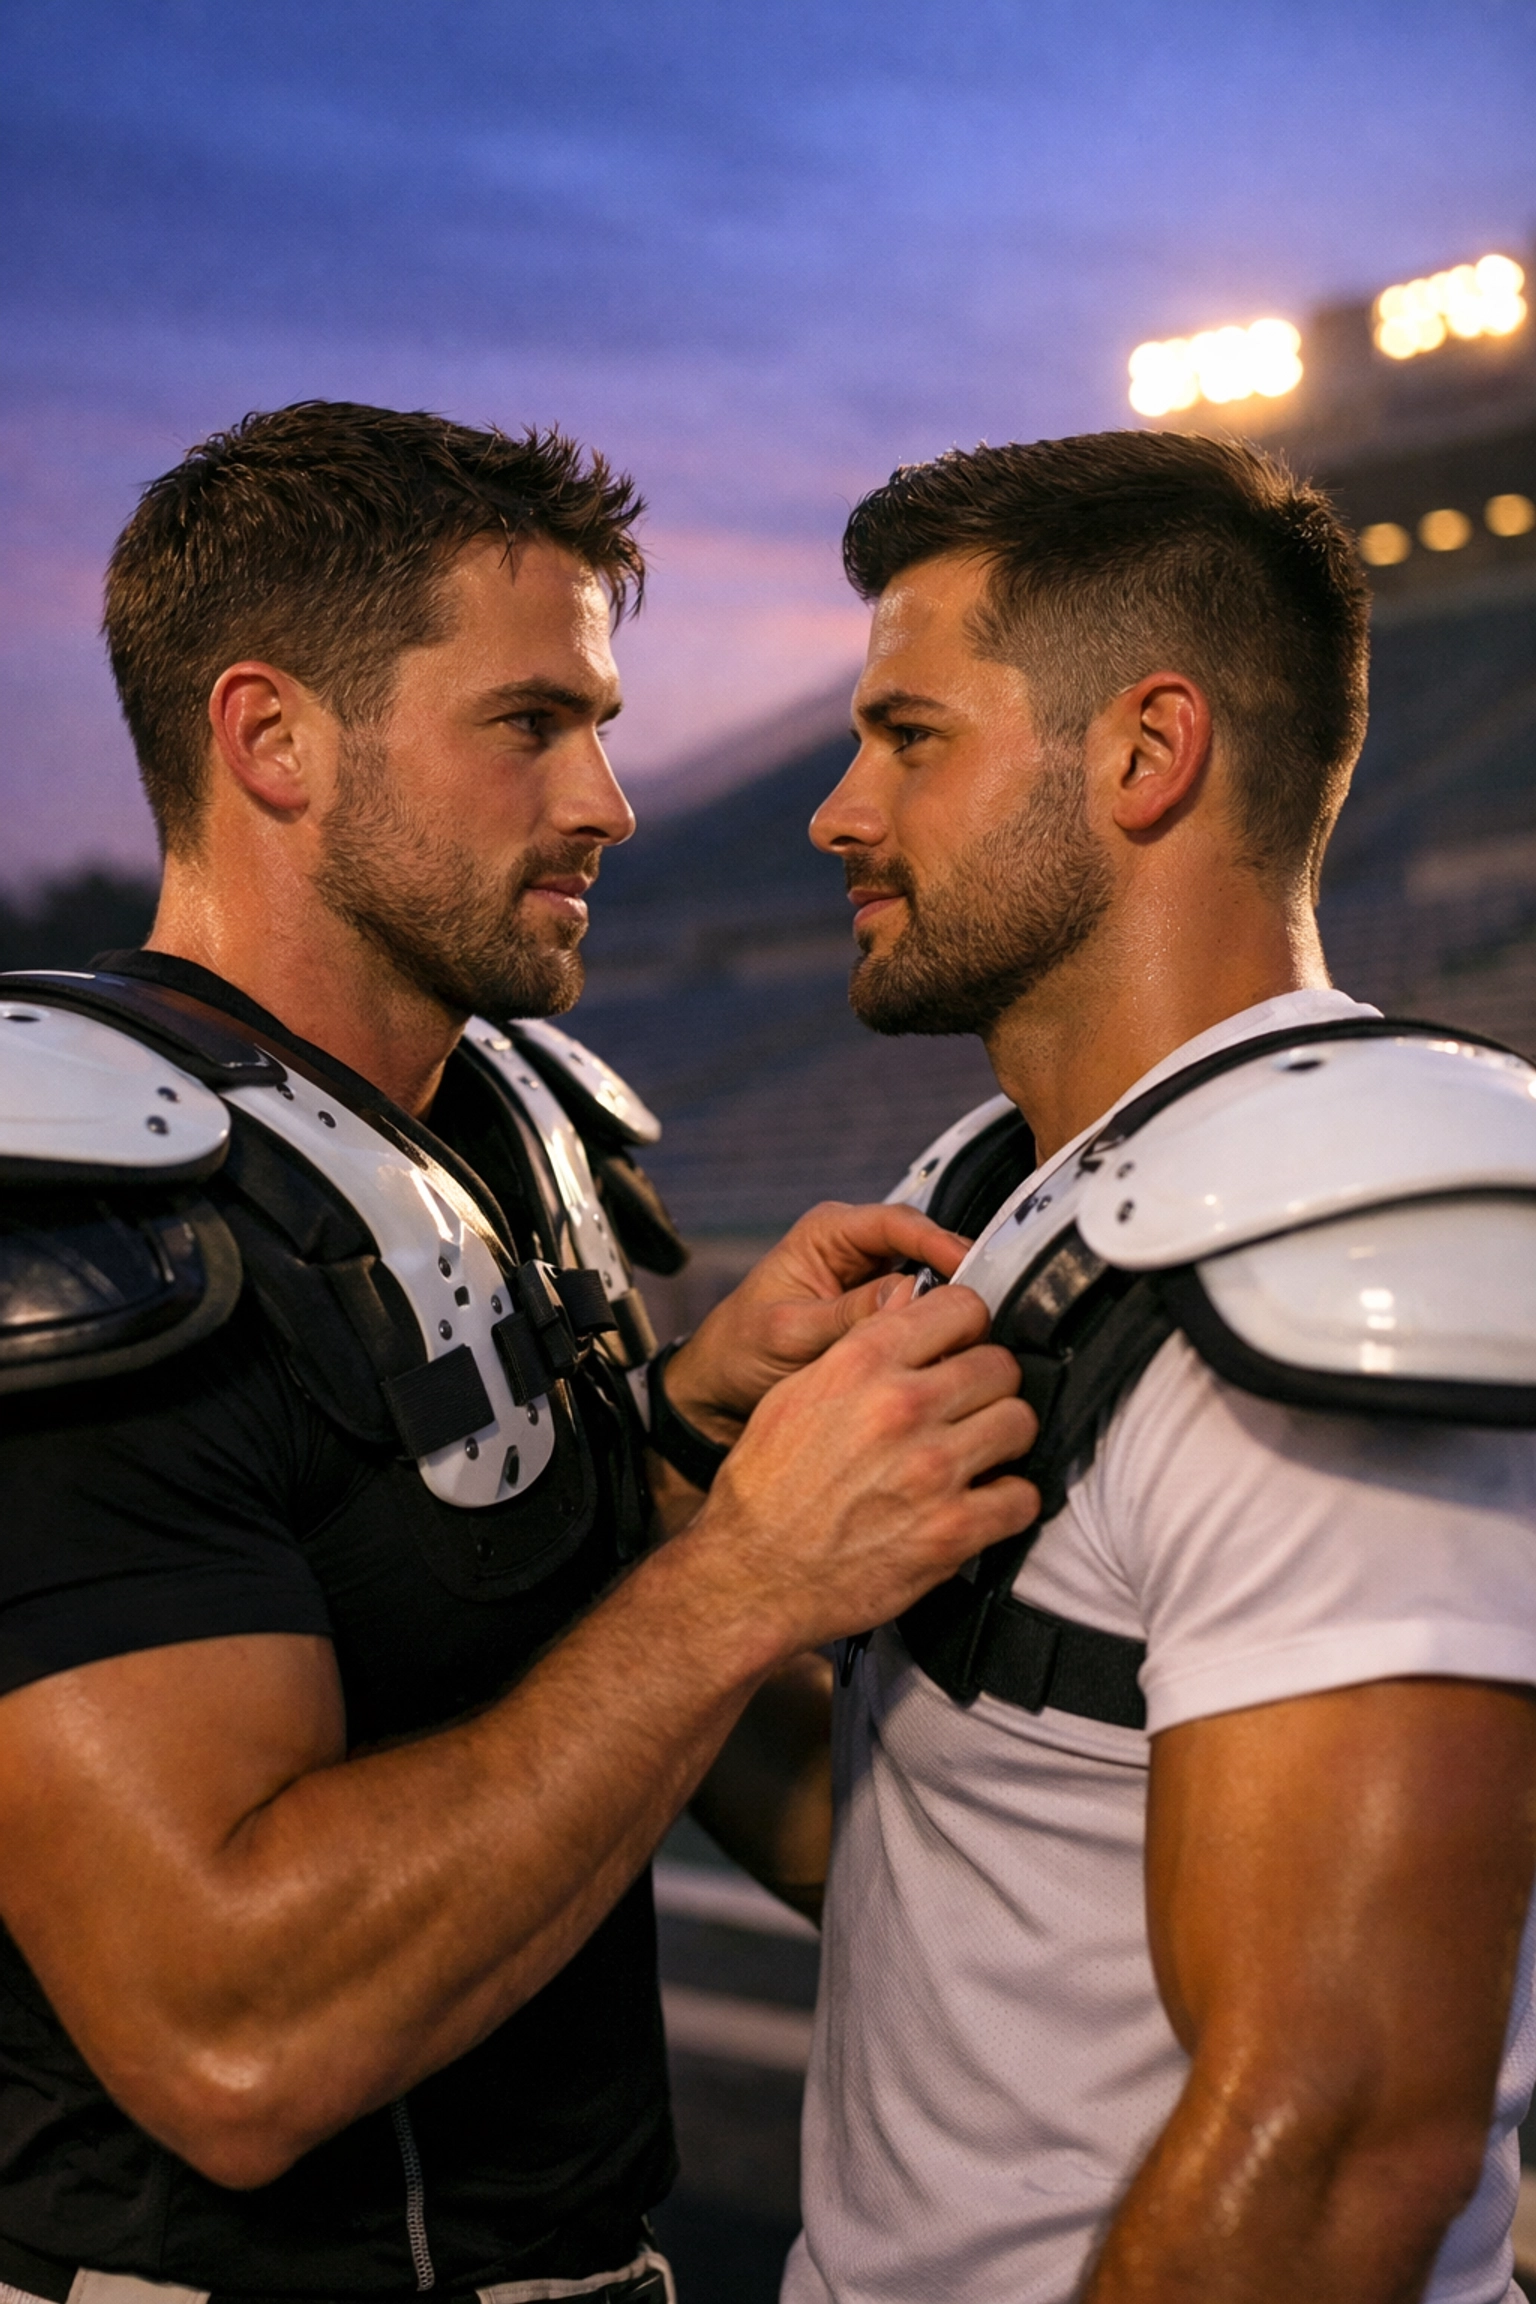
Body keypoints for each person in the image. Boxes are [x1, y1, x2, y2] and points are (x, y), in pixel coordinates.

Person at [0, 402, 1039, 2302]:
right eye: (529, 724)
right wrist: (740, 1573)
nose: (606, 806)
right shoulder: (69, 1203)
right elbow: (230, 2039)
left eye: (604, 726)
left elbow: (492, 1646)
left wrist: (655, 1456)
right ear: (270, 738)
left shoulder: (491, 1126)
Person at [778, 430, 1536, 2304]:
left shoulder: (1339, 1242)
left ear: (1146, 751)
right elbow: (960, 1854)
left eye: (912, 736)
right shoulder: (993, 1186)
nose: (838, 810)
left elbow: (1346, 2127)